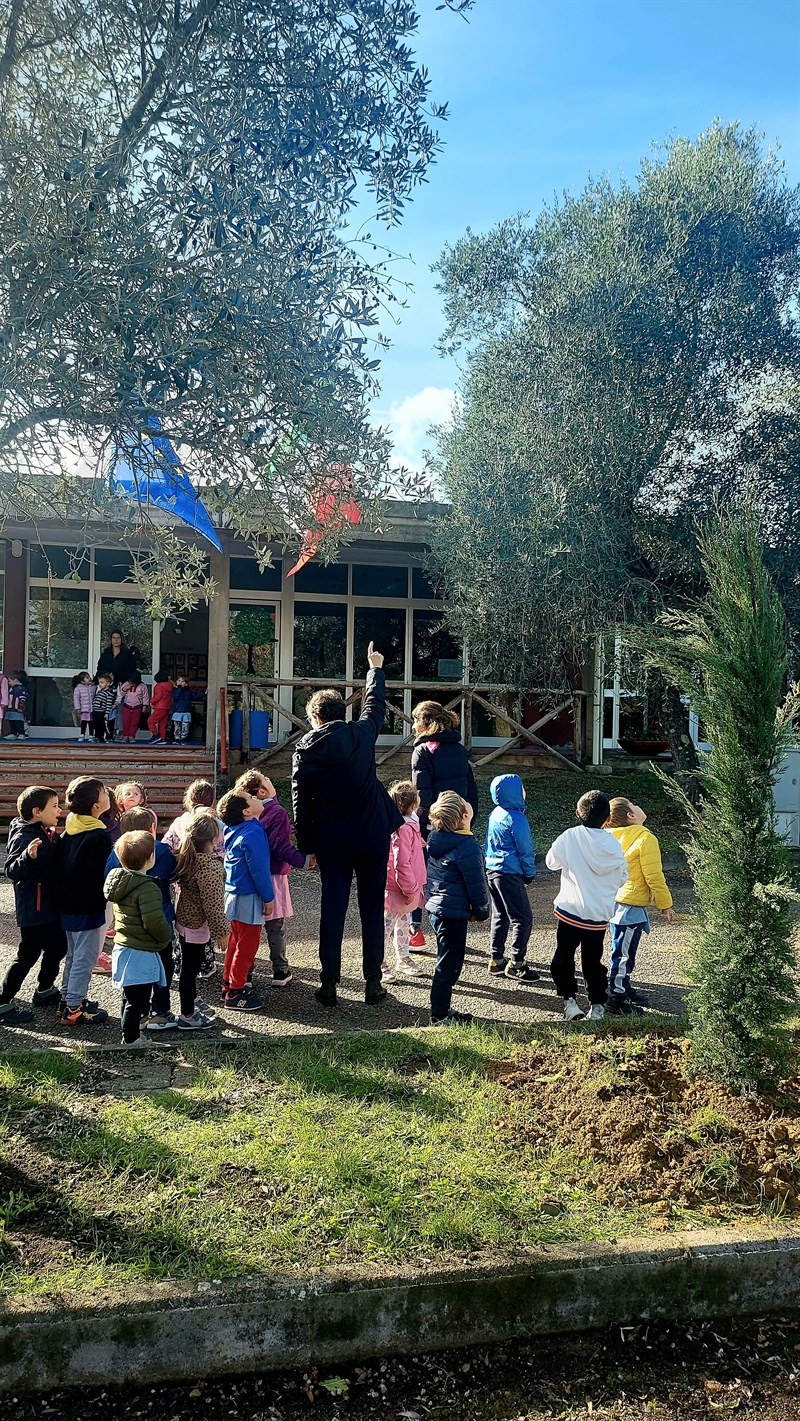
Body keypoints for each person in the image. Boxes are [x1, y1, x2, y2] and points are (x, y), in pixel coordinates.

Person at [292, 642, 403, 1008]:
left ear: (314, 717)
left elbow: (300, 802)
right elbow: (375, 706)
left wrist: (306, 845)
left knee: (333, 907)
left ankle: (328, 983)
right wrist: (374, 669)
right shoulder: (361, 734)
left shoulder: (305, 750)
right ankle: (373, 981)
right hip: (372, 834)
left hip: (332, 839)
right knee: (372, 906)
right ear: (341, 713)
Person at [545, 790, 628, 1023]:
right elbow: (623, 876)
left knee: (564, 956)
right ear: (607, 818)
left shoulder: (570, 836)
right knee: (593, 961)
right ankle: (597, 1005)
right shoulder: (613, 843)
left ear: (578, 813)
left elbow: (551, 863)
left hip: (570, 911)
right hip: (598, 915)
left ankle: (569, 1001)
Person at [408, 700, 479, 949]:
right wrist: (470, 818)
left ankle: (414, 930)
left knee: (421, 875)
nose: (413, 726)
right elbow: (471, 788)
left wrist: (419, 826)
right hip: (459, 821)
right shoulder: (459, 749)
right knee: (454, 876)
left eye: (416, 720)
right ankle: (448, 929)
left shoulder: (423, 751)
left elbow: (422, 795)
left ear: (426, 723)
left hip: (434, 824)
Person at [105, 807, 180, 1030]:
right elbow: (173, 871)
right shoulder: (160, 852)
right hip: (159, 919)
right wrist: (166, 934)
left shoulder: (116, 852)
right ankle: (160, 1011)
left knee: (133, 977)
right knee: (163, 969)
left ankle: (133, 1016)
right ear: (152, 828)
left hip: (127, 926)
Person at [236, 770, 311, 988]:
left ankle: (247, 972)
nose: (270, 779)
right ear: (261, 790)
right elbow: (281, 846)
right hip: (274, 875)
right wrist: (304, 860)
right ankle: (280, 970)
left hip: (250, 875)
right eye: (267, 779)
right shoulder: (276, 811)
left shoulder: (247, 811)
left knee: (251, 925)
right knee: (275, 925)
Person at [0, 786, 67, 1026]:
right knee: (27, 955)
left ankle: (45, 989)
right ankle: (4, 1001)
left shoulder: (35, 827)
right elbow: (11, 870)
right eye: (55, 806)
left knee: (58, 946)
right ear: (37, 811)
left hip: (46, 906)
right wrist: (28, 857)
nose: (60, 811)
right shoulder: (25, 836)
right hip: (34, 910)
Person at [424, 791, 489, 1026]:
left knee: (446, 960)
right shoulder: (467, 846)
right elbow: (477, 885)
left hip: (438, 909)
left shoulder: (437, 839)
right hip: (452, 913)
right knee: (449, 965)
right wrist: (481, 911)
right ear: (464, 816)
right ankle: (439, 1014)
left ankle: (441, 1009)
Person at [605, 796, 674, 1015]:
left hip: (614, 901)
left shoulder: (609, 836)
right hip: (630, 905)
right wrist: (665, 904)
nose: (638, 806)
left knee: (621, 948)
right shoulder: (645, 838)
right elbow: (654, 876)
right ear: (631, 815)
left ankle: (623, 987)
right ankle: (615, 997)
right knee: (623, 953)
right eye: (634, 805)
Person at [54, 776, 112, 1027]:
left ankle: (67, 998)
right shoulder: (98, 835)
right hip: (88, 906)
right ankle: (73, 1008)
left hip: (67, 904)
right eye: (103, 793)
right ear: (95, 806)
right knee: (85, 959)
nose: (108, 794)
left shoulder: (70, 830)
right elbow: (99, 874)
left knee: (73, 956)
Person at [218, 789, 274, 1011]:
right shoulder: (253, 833)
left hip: (234, 893)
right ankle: (236, 991)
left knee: (236, 942)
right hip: (250, 896)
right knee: (247, 946)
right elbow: (259, 870)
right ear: (247, 811)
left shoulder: (235, 830)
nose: (255, 797)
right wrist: (268, 898)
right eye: (251, 798)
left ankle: (228, 982)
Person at [173, 812, 227, 1029]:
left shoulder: (189, 857)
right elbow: (213, 903)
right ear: (214, 839)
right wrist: (222, 932)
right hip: (196, 924)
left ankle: (191, 1002)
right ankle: (187, 1014)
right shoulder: (210, 866)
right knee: (190, 969)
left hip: (185, 918)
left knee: (188, 966)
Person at [484, 773, 539, 984]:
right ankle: (517, 964)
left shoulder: (495, 813)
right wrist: (529, 872)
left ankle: (496, 959)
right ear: (515, 792)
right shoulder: (517, 818)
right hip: (509, 872)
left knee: (500, 915)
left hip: (492, 870)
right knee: (522, 918)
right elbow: (525, 849)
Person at [382, 780, 426, 982]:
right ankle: (379, 962)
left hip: (405, 886)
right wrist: (410, 889)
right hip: (399, 887)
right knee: (386, 926)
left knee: (400, 924)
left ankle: (403, 958)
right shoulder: (405, 827)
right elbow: (401, 862)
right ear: (412, 804)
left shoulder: (408, 823)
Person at [162, 779, 222, 853]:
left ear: (189, 800)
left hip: (181, 863)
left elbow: (164, 847)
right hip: (210, 864)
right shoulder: (220, 827)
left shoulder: (179, 823)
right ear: (212, 801)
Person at [118, 672, 150, 743]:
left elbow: (145, 697)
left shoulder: (143, 686)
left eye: (135, 683)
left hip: (137, 707)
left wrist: (145, 706)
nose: (134, 684)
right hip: (127, 706)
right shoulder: (126, 684)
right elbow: (121, 694)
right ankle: (125, 735)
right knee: (126, 721)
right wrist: (124, 689)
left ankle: (132, 736)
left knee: (134, 722)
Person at [148, 669, 173, 744]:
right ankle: (163, 738)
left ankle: (156, 735)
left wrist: (151, 701)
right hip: (167, 707)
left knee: (150, 721)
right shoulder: (170, 685)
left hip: (160, 707)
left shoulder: (158, 686)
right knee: (163, 723)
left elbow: (158, 696)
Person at [92, 674, 116, 742]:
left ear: (108, 683)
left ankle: (106, 736)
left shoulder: (109, 694)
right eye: (99, 682)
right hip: (95, 711)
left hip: (101, 712)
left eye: (102, 683)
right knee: (96, 725)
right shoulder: (99, 692)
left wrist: (107, 713)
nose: (100, 684)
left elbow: (108, 705)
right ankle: (97, 736)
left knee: (103, 725)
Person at [72, 673, 94, 742]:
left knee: (91, 723)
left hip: (91, 709)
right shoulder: (78, 688)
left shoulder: (93, 687)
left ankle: (91, 735)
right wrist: (78, 708)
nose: (89, 678)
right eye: (87, 677)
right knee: (84, 722)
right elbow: (76, 699)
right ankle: (82, 734)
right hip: (84, 709)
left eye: (89, 677)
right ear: (82, 681)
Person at [5, 672, 29, 737]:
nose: (8, 683)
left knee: (18, 721)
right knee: (12, 721)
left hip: (17, 709)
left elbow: (22, 698)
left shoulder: (20, 689)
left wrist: (21, 707)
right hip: (11, 708)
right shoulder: (13, 688)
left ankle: (21, 733)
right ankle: (13, 733)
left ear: (16, 680)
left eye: (10, 681)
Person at [171, 675, 193, 744]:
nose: (180, 682)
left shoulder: (188, 692)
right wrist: (179, 688)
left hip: (186, 711)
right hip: (177, 711)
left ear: (186, 684)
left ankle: (184, 737)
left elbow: (195, 695)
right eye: (179, 681)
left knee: (185, 726)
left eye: (182, 681)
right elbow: (176, 697)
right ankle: (177, 737)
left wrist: (204, 694)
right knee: (177, 725)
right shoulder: (174, 690)